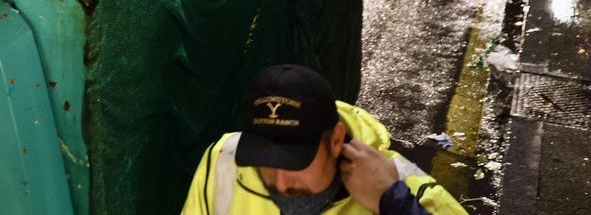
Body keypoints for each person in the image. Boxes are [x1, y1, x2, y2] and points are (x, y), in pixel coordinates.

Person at [181, 64, 466, 215]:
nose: (280, 184)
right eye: (264, 158)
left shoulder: (407, 192)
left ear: (335, 141)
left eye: (294, 160)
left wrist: (394, 204)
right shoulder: (223, 159)